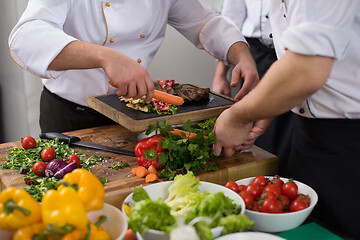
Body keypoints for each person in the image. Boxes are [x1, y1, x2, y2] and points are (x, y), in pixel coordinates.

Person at [213, 1, 360, 238]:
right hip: (311, 135)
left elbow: (306, 70)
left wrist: (238, 115)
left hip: (350, 141)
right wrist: (270, 105)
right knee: (310, 230)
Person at [8, 0, 258, 133]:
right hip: (69, 116)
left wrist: (241, 53)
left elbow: (205, 22)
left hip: (132, 116)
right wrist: (105, 57)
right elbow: (25, 37)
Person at [212, 0, 294, 175]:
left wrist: (237, 117)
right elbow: (230, 19)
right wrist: (220, 74)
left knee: (288, 139)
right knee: (256, 140)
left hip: (290, 59)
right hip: (253, 57)